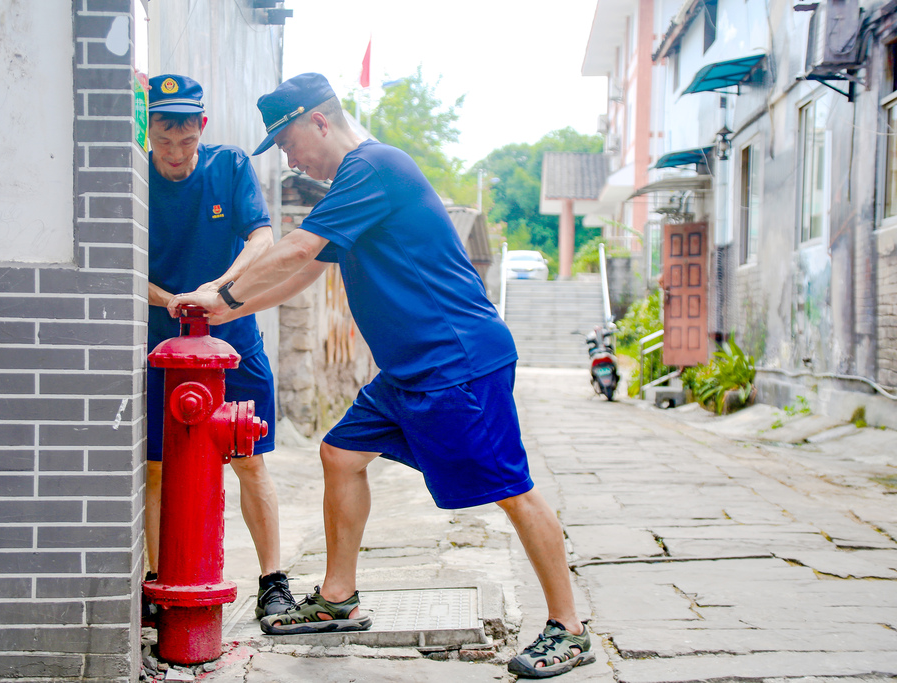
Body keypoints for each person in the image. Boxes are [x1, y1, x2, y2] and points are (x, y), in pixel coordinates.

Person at [167, 73, 594, 678]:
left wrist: (221, 290)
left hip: (456, 362)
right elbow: (304, 274)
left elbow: (291, 251)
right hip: (407, 370)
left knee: (510, 489)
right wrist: (225, 308)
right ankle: (338, 600)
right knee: (340, 454)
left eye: (288, 143)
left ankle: (568, 628)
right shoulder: (353, 185)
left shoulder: (373, 167)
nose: (289, 159)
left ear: (319, 121)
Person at [144, 73, 295, 619]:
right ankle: (160, 578)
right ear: (149, 130)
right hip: (164, 344)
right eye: (164, 141)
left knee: (249, 461)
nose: (175, 154)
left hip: (233, 340)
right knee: (156, 466)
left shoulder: (228, 165)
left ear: (201, 128)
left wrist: (216, 291)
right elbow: (120, 259)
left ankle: (273, 581)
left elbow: (263, 237)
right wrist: (170, 300)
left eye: (186, 141)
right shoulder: (134, 177)